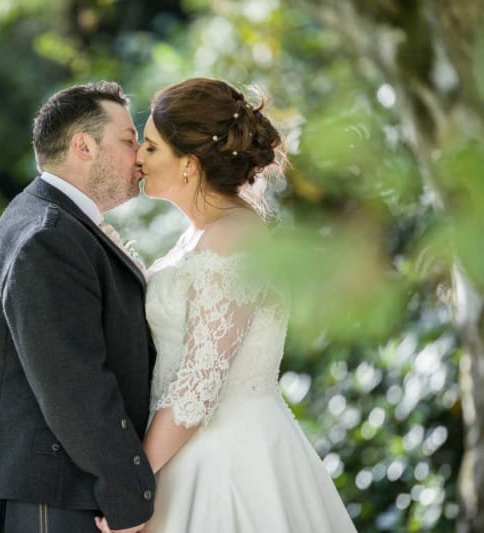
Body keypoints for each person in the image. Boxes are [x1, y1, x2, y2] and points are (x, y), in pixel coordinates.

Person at [96, 77, 357, 532]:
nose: (138, 157)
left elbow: (200, 382)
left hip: (229, 460)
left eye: (151, 147)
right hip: (180, 448)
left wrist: (132, 486)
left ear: (189, 165)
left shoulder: (235, 237)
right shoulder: (201, 233)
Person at [0, 81, 157, 533]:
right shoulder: (49, 236)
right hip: (36, 497)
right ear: (83, 146)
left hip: (35, 490)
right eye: (128, 140)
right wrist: (128, 495)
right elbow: (76, 384)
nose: (139, 156)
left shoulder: (52, 222)